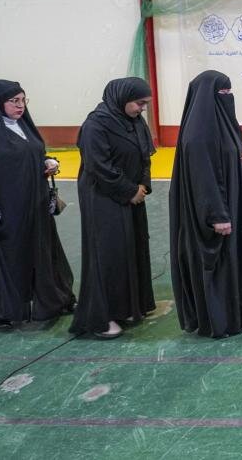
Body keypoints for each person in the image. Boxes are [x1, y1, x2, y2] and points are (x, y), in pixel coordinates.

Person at [169, 71, 242, 338]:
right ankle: (223, 318)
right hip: (219, 212)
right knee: (221, 263)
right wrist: (217, 216)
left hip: (235, 203)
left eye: (230, 92)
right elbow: (203, 179)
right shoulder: (197, 136)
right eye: (223, 93)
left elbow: (238, 146)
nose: (228, 97)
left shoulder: (225, 123)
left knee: (237, 257)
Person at [0, 80, 75, 329]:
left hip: (33, 205)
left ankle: (53, 299)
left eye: (23, 100)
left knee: (42, 253)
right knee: (8, 260)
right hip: (4, 211)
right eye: (14, 101)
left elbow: (28, 154)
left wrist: (46, 162)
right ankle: (3, 309)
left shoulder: (21, 125)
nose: (20, 106)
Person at [69, 78, 156, 339]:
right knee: (108, 254)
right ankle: (101, 318)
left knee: (132, 249)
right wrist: (129, 191)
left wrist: (143, 185)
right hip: (104, 198)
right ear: (122, 98)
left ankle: (126, 307)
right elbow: (99, 166)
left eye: (145, 103)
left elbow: (145, 156)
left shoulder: (134, 121)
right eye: (139, 103)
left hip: (133, 195)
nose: (142, 108)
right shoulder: (96, 125)